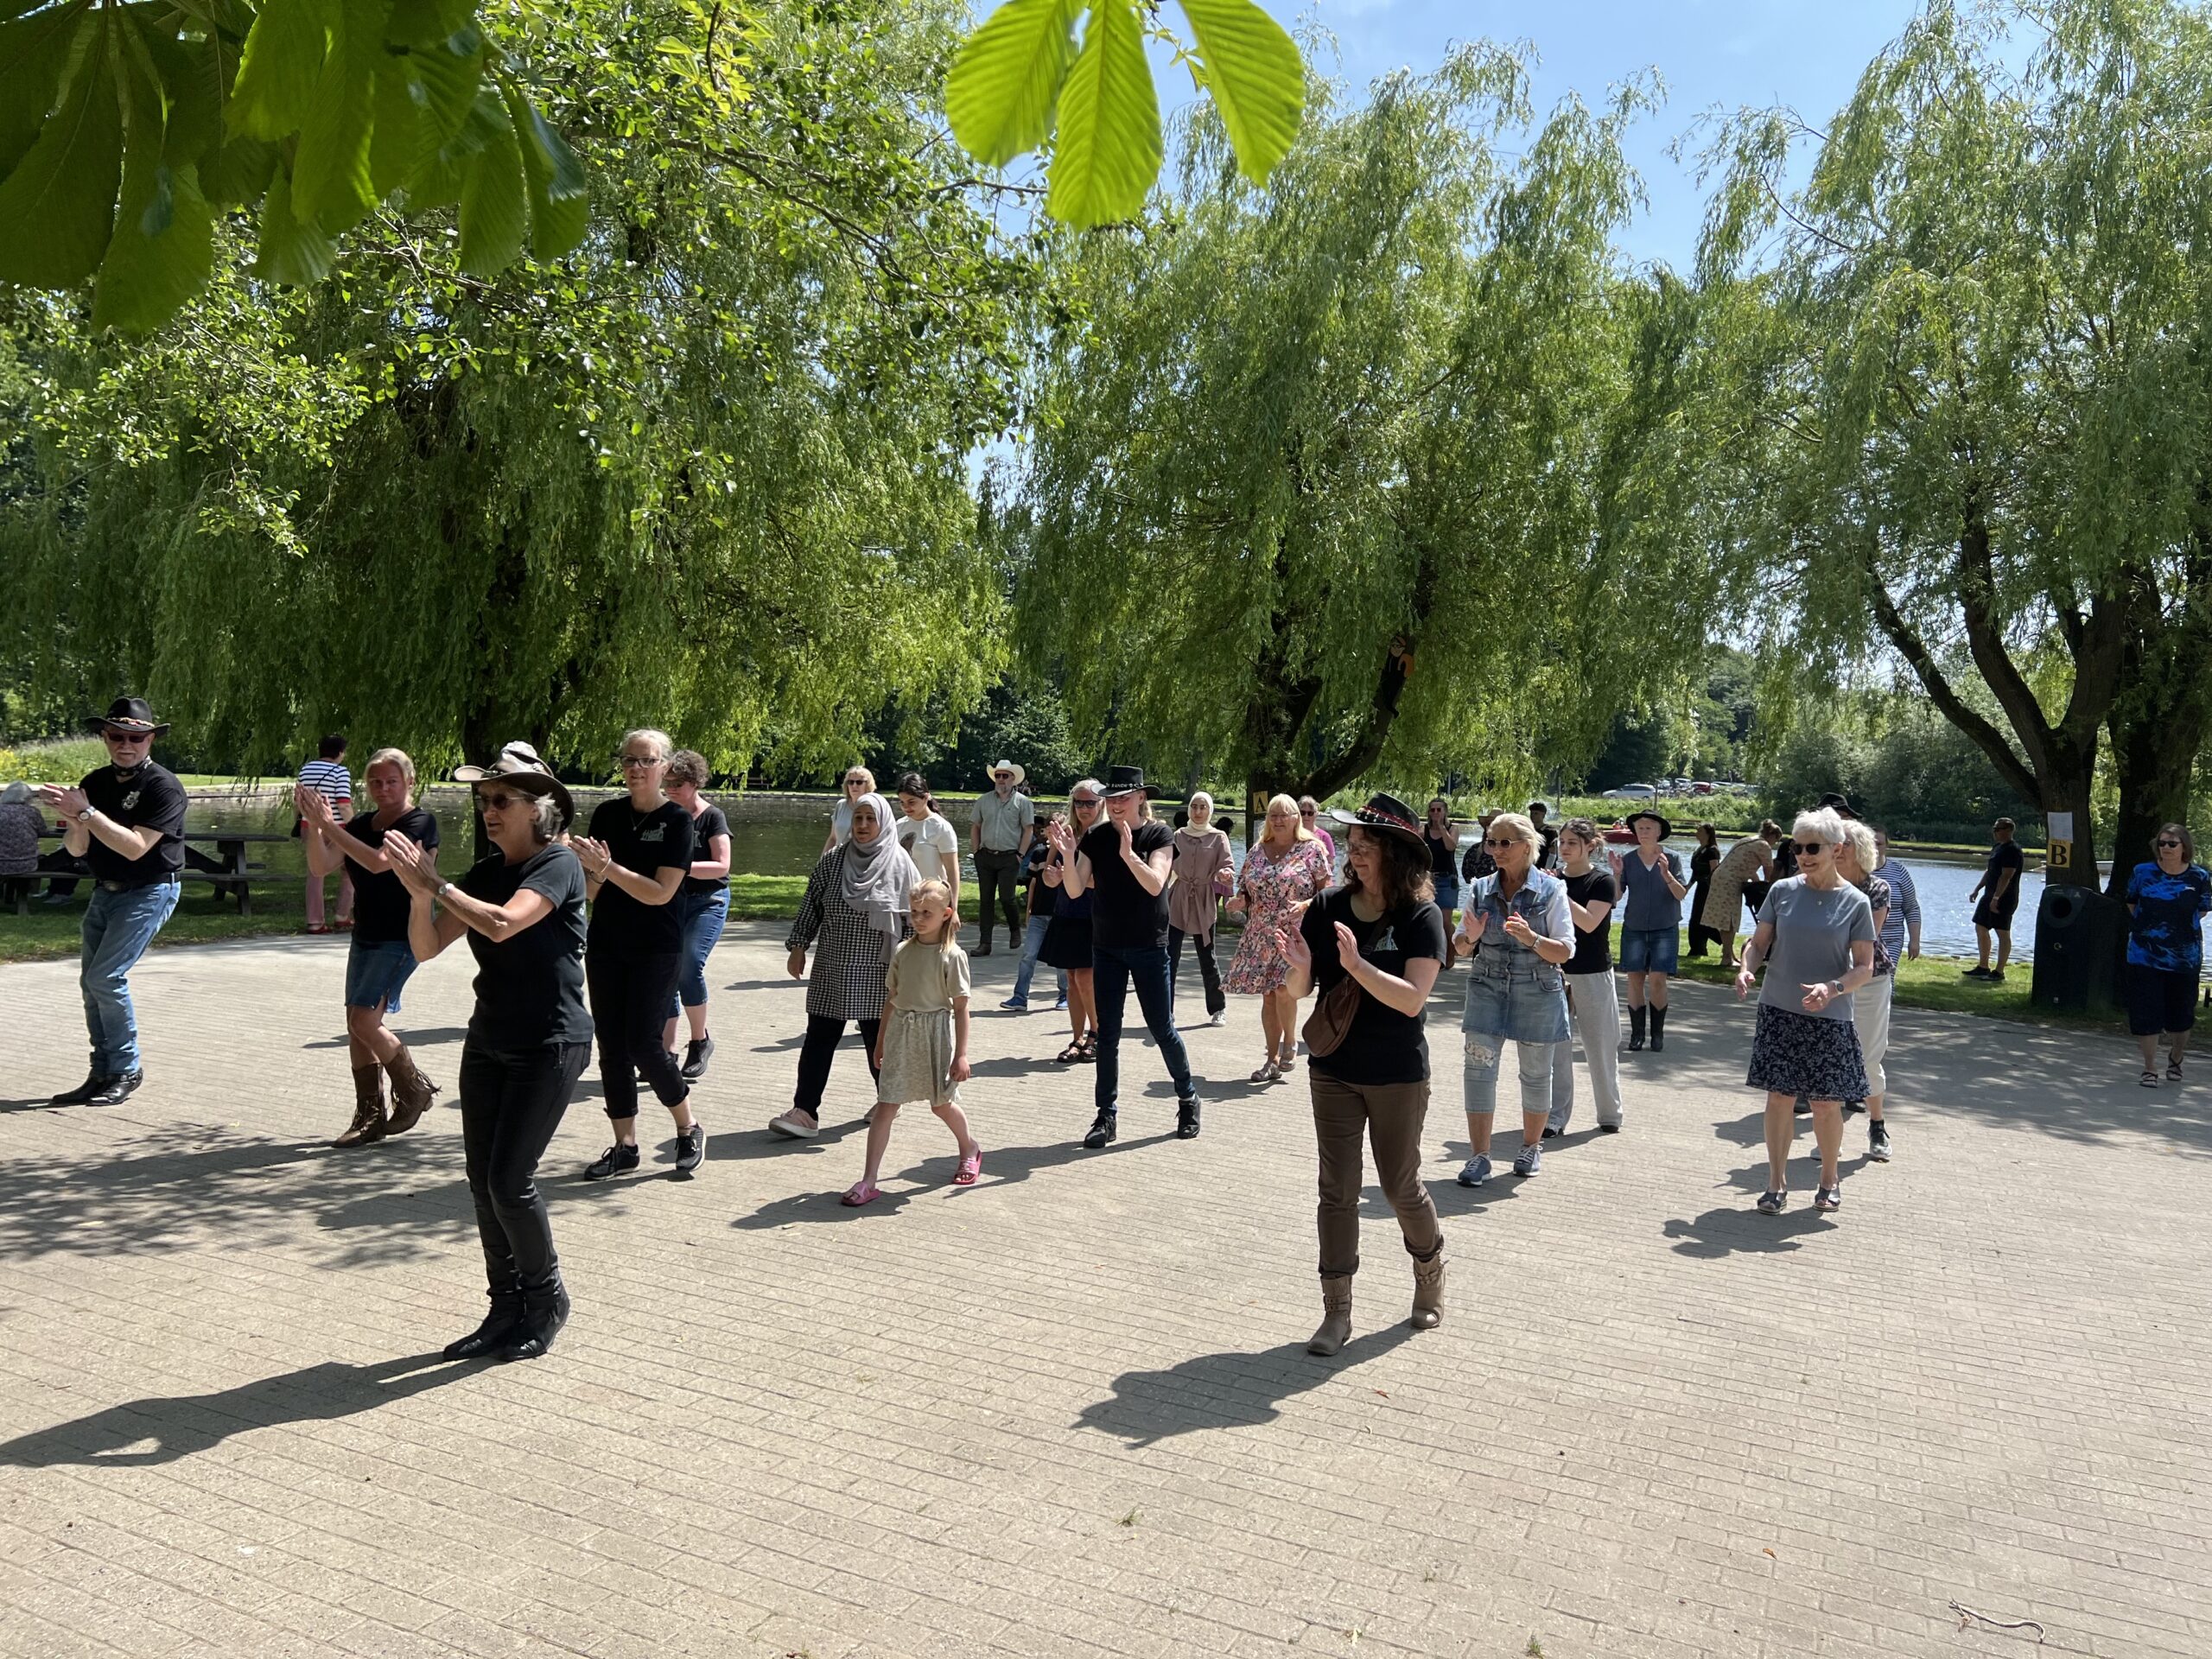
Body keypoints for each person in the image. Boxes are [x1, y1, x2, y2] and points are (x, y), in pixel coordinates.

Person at [385, 748, 591, 1363]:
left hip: (550, 1042)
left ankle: (546, 1301)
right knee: (482, 1183)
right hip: (489, 1040)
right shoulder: (484, 871)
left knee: (510, 1181)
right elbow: (425, 948)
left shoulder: (558, 865)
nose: (489, 812)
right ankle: (505, 1309)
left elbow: (502, 924)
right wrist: (419, 896)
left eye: (502, 801)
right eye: (484, 802)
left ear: (540, 808)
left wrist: (436, 883)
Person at [1282, 793, 1447, 1356]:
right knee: (1337, 1190)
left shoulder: (1422, 917)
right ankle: (1336, 1313)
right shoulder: (1328, 905)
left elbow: (1412, 1000)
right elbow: (1303, 991)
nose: (1352, 857)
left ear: (1395, 854)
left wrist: (1358, 965)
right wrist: (1300, 970)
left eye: (1363, 848)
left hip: (1397, 1073)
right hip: (1334, 1067)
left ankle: (1428, 1274)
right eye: (1349, 847)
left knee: (1401, 1187)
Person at [39, 697, 188, 1106]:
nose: (127, 744)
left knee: (106, 978)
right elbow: (76, 849)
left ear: (151, 738)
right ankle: (101, 1071)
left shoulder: (163, 786)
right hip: (105, 889)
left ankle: (126, 1069)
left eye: (136, 737)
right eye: (117, 736)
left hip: (150, 890)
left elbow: (137, 848)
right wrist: (73, 821)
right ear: (105, 738)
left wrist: (86, 814)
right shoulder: (96, 781)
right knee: (91, 984)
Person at [571, 731, 704, 1180]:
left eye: (646, 760)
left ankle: (688, 1127)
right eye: (629, 759)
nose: (635, 768)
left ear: (666, 767)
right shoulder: (607, 815)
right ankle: (625, 1146)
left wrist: (609, 869)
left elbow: (661, 893)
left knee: (645, 1044)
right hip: (608, 943)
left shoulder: (678, 821)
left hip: (657, 947)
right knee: (611, 1045)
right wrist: (586, 871)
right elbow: (592, 891)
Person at [1048, 766, 1201, 1146]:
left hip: (1149, 945)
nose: (1116, 805)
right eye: (1111, 799)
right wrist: (1069, 855)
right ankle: (1106, 1116)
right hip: (1107, 946)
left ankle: (1187, 1098)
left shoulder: (1160, 835)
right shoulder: (1097, 837)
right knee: (1109, 1034)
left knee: (1161, 1027)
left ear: (1140, 798)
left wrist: (1130, 854)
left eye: (1123, 798)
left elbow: (1155, 885)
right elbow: (1072, 889)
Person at [296, 748, 442, 1147]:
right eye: (375, 782)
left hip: (402, 935)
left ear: (409, 782)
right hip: (366, 934)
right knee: (355, 1026)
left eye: (391, 781)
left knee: (364, 1021)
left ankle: (414, 1089)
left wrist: (333, 826)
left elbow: (382, 862)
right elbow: (321, 866)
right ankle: (369, 1115)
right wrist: (315, 824)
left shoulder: (420, 822)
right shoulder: (360, 823)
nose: (382, 788)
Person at [1733, 808, 1876, 1217]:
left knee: (1826, 1103)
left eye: (1814, 847)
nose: (1804, 855)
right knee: (1778, 1098)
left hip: (1829, 1015)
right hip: (1779, 1009)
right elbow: (1759, 943)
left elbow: (1865, 966)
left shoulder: (1855, 902)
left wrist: (1832, 988)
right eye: (1798, 848)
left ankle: (1829, 1180)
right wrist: (1747, 969)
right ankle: (1775, 1183)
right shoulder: (1782, 891)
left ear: (1838, 849)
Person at [773, 791, 915, 1138]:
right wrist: (798, 945)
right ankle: (805, 1112)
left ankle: (888, 1100)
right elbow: (811, 906)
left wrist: (917, 968)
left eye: (871, 819)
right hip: (832, 966)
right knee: (819, 1037)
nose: (864, 825)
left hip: (879, 971)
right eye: (858, 818)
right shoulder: (833, 861)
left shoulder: (900, 864)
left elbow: (916, 922)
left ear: (882, 822)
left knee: (876, 1041)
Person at [841, 880, 982, 1204]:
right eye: (914, 912)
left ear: (946, 914)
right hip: (902, 1031)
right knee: (887, 1104)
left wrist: (961, 1055)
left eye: (926, 913)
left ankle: (969, 1147)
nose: (918, 919)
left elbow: (961, 1008)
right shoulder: (903, 950)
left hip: (934, 1033)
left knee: (941, 1103)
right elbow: (892, 998)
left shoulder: (953, 956)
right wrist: (880, 1043)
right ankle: (869, 1179)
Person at [1455, 811, 1573, 1184]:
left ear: (1527, 846)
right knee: (1478, 1072)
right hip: (1487, 987)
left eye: (1505, 843)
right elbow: (1459, 948)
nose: (1496, 850)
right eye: (1492, 842)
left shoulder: (1552, 890)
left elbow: (1566, 951)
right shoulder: (1479, 888)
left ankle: (1530, 1148)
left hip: (1537, 989)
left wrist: (1532, 939)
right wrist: (1470, 936)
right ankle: (1480, 1157)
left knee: (1536, 1075)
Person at [1226, 794, 1333, 1079]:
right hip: (1260, 933)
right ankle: (1270, 1059)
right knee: (1269, 997)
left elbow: (1327, 891)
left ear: (1297, 818)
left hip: (1295, 932)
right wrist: (1239, 901)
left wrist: (1307, 904)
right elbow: (1246, 889)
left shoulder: (1312, 849)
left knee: (1285, 989)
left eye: (1284, 814)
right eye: (1273, 815)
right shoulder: (1257, 850)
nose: (1278, 819)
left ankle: (1290, 1042)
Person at [1545, 817, 1624, 1137]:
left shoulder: (1601, 882)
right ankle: (1555, 1117)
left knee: (1600, 1046)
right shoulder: (1552, 879)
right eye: (1561, 842)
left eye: (1572, 843)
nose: (1564, 848)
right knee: (1557, 1050)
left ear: (1590, 846)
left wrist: (1559, 891)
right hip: (1556, 971)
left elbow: (1590, 923)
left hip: (1593, 973)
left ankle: (1610, 1113)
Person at [660, 750, 731, 1080]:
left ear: (694, 782)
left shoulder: (711, 817)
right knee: (666, 968)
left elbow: (722, 865)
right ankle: (666, 1051)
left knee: (689, 965)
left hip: (708, 900)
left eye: (676, 783)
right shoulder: (664, 816)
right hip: (670, 901)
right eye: (666, 783)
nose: (670, 789)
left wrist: (679, 868)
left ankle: (700, 1041)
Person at [2122, 823, 2210, 1088]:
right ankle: (2150, 1068)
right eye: (2162, 843)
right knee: (2146, 1012)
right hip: (2144, 955)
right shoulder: (2142, 872)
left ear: (2185, 847)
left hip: (2184, 957)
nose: (2166, 849)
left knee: (2181, 1017)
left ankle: (2176, 1056)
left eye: (2172, 844)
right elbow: (2132, 902)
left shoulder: (2199, 877)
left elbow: (2203, 910)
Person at [1834, 819, 1895, 1162]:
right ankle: (1831, 1134)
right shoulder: (1822, 886)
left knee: (1868, 1056)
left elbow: (1866, 935)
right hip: (1829, 981)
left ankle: (1877, 1125)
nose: (1835, 851)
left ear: (1859, 850)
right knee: (1831, 1055)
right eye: (1833, 845)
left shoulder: (1877, 888)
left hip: (1870, 979)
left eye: (1842, 844)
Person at [1611, 810, 1687, 1051]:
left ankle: (1657, 1034)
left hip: (1665, 927)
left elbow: (1681, 894)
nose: (1643, 832)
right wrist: (1616, 874)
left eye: (1648, 828)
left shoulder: (1671, 859)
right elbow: (1616, 896)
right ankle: (1636, 1035)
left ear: (1659, 832)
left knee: (1657, 979)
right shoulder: (1629, 860)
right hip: (1634, 927)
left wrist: (1666, 875)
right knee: (1634, 979)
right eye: (1640, 828)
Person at [1167, 791, 1235, 1027]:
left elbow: (1226, 865)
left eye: (1202, 807)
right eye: (1194, 806)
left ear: (1210, 811)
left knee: (1208, 958)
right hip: (1178, 898)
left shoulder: (1218, 838)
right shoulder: (1178, 835)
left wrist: (1225, 875)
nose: (1197, 812)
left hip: (1204, 900)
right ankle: (1166, 1010)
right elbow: (1166, 866)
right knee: (1170, 958)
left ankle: (1218, 1008)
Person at [968, 759, 1035, 957]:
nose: (1001, 779)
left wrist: (1020, 855)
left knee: (1007, 898)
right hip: (986, 856)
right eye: (998, 775)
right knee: (985, 900)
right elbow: (975, 826)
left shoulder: (1023, 802)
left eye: (1005, 776)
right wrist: (976, 851)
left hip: (1009, 858)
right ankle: (985, 943)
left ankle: (1014, 929)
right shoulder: (984, 800)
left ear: (1013, 779)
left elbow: (1028, 829)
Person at [1004, 813, 1069, 1013]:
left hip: (1060, 914)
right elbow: (1033, 882)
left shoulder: (1069, 853)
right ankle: (1020, 997)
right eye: (1050, 829)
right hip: (1039, 913)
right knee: (1028, 955)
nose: (1052, 832)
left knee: (1061, 959)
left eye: (1058, 828)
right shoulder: (1040, 853)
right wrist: (1029, 909)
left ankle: (1064, 995)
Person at [296, 735, 355, 934]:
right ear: (339, 752)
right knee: (350, 868)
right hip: (335, 827)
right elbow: (343, 805)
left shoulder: (306, 769)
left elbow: (299, 800)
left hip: (308, 824)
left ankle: (314, 921)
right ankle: (342, 916)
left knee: (315, 871)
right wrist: (355, 827)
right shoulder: (340, 772)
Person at [1703, 822, 1781, 969]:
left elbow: (1745, 866)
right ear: (1771, 836)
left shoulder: (1747, 840)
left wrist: (1757, 881)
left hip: (1720, 877)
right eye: (1775, 840)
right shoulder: (1763, 845)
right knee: (1730, 919)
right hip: (1730, 881)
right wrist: (1769, 885)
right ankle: (1727, 958)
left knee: (1725, 919)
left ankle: (1728, 954)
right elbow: (1768, 869)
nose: (1774, 844)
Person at [1965, 817, 2025, 982]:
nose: (1995, 832)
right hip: (1989, 895)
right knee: (1981, 927)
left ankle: (1999, 972)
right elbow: (1990, 871)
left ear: (2008, 830)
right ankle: (1983, 967)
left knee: (2002, 932)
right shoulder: (1998, 847)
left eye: (1998, 829)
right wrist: (1978, 889)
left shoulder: (2013, 850)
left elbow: (2006, 876)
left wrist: (1997, 898)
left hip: (2004, 898)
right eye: (1994, 829)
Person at [894, 772, 961, 900]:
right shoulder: (899, 826)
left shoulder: (941, 827)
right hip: (902, 898)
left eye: (911, 802)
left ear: (926, 797)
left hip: (933, 899)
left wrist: (954, 908)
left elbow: (952, 871)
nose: (906, 807)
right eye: (902, 802)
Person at [0, 781, 47, 908]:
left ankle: (6, 897)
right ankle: (21, 901)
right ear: (27, 797)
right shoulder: (32, 812)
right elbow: (43, 831)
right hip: (26, 863)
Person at [1422, 798, 1463, 942]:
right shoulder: (1424, 830)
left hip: (1447, 879)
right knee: (1428, 919)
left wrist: (1442, 828)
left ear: (1445, 812)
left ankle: (1449, 956)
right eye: (1432, 810)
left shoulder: (1453, 828)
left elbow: (1451, 847)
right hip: (1428, 879)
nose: (1435, 813)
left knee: (1446, 922)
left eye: (1439, 810)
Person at [820, 765, 877, 855]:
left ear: (868, 785)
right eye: (851, 782)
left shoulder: (875, 807)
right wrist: (822, 862)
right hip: (838, 860)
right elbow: (833, 838)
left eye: (859, 782)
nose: (854, 785)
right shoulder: (841, 805)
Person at [1685, 823, 1722, 958]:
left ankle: (1715, 940)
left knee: (1701, 918)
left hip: (1708, 888)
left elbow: (1714, 871)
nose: (1697, 833)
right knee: (1695, 918)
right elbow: (1695, 873)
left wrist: (1713, 890)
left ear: (1708, 833)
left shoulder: (1712, 851)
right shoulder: (1699, 850)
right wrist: (1687, 887)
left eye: (1700, 831)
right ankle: (1697, 948)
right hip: (1700, 887)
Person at [1459, 809, 1498, 885]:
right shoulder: (1474, 850)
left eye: (1497, 825)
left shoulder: (1510, 850)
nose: (1492, 827)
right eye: (1490, 824)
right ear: (1486, 828)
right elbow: (1466, 873)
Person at [1298, 797, 1336, 861]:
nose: (1306, 816)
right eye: (1303, 813)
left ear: (1316, 814)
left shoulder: (1325, 837)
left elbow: (1331, 863)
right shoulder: (1292, 834)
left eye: (1310, 813)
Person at [1528, 801, 1560, 872]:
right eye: (1531, 813)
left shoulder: (1550, 831)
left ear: (1543, 815)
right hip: (1531, 868)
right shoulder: (1528, 829)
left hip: (1545, 868)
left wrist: (1546, 871)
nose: (1533, 815)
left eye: (1536, 813)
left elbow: (1553, 853)